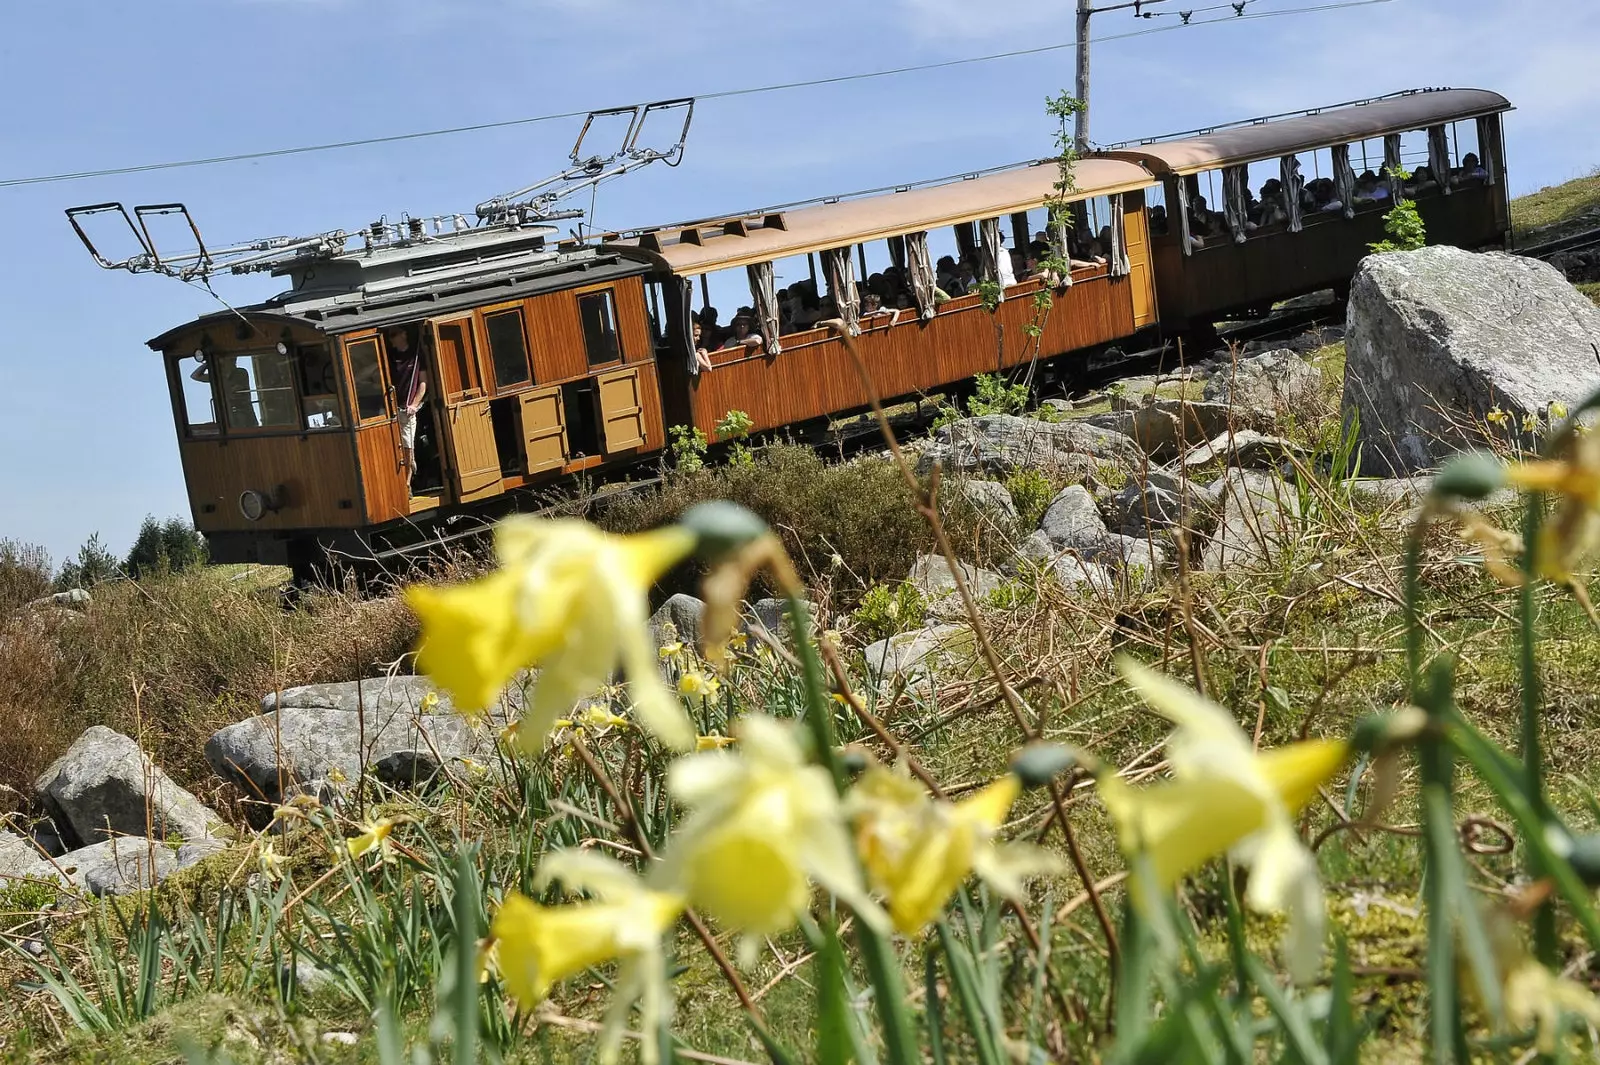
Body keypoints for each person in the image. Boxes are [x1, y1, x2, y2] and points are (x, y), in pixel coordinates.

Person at [384, 324, 428, 492]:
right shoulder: (390, 356)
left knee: (408, 447)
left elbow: (423, 383)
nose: (391, 339)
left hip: (407, 410)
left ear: (403, 334)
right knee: (396, 447)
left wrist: (414, 405)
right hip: (392, 409)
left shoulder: (417, 356)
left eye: (393, 334)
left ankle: (407, 485)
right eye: (390, 336)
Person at [190, 354, 257, 429]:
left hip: (245, 413)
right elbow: (195, 376)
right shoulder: (217, 376)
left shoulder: (241, 372)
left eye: (232, 360)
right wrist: (208, 363)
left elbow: (236, 389)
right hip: (228, 414)